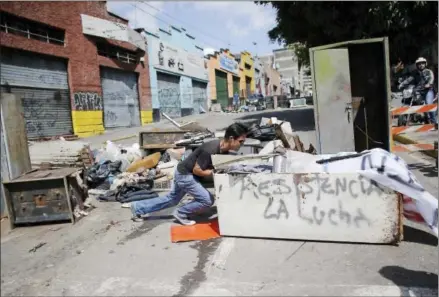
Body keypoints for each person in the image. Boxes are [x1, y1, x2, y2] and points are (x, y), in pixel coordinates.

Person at [130, 122, 248, 225]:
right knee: (207, 200)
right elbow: (198, 170)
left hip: (183, 171)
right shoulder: (211, 149)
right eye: (241, 141)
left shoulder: (223, 149)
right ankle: (181, 213)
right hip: (185, 175)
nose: (242, 145)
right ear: (232, 139)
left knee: (172, 199)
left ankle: (137, 208)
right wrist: (215, 172)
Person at [398, 57, 436, 125]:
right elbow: (409, 80)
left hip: (427, 91)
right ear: (417, 65)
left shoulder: (429, 72)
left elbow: (431, 79)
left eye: (422, 63)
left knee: (429, 104)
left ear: (425, 64)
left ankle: (434, 122)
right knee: (411, 101)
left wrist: (429, 84)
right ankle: (414, 115)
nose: (421, 65)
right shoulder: (415, 73)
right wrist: (401, 84)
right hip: (418, 91)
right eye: (419, 64)